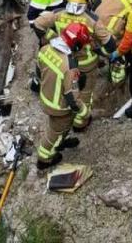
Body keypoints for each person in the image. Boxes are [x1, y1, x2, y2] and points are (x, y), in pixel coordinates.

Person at [32, 0, 98, 130]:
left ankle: (72, 118)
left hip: (64, 59)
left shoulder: (58, 14)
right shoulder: (92, 20)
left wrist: (51, 38)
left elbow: (38, 24)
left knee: (68, 88)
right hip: (86, 64)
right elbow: (108, 44)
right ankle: (80, 124)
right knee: (85, 93)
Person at [34, 22, 92, 170]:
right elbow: (71, 97)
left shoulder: (45, 49)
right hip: (59, 107)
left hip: (47, 97)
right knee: (55, 132)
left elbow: (39, 71)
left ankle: (61, 140)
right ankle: (45, 158)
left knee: (59, 128)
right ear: (77, 45)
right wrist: (84, 111)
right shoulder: (69, 66)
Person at [91, 0, 132, 84]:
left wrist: (92, 15)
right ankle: (117, 67)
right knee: (114, 48)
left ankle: (115, 63)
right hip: (109, 28)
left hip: (99, 21)